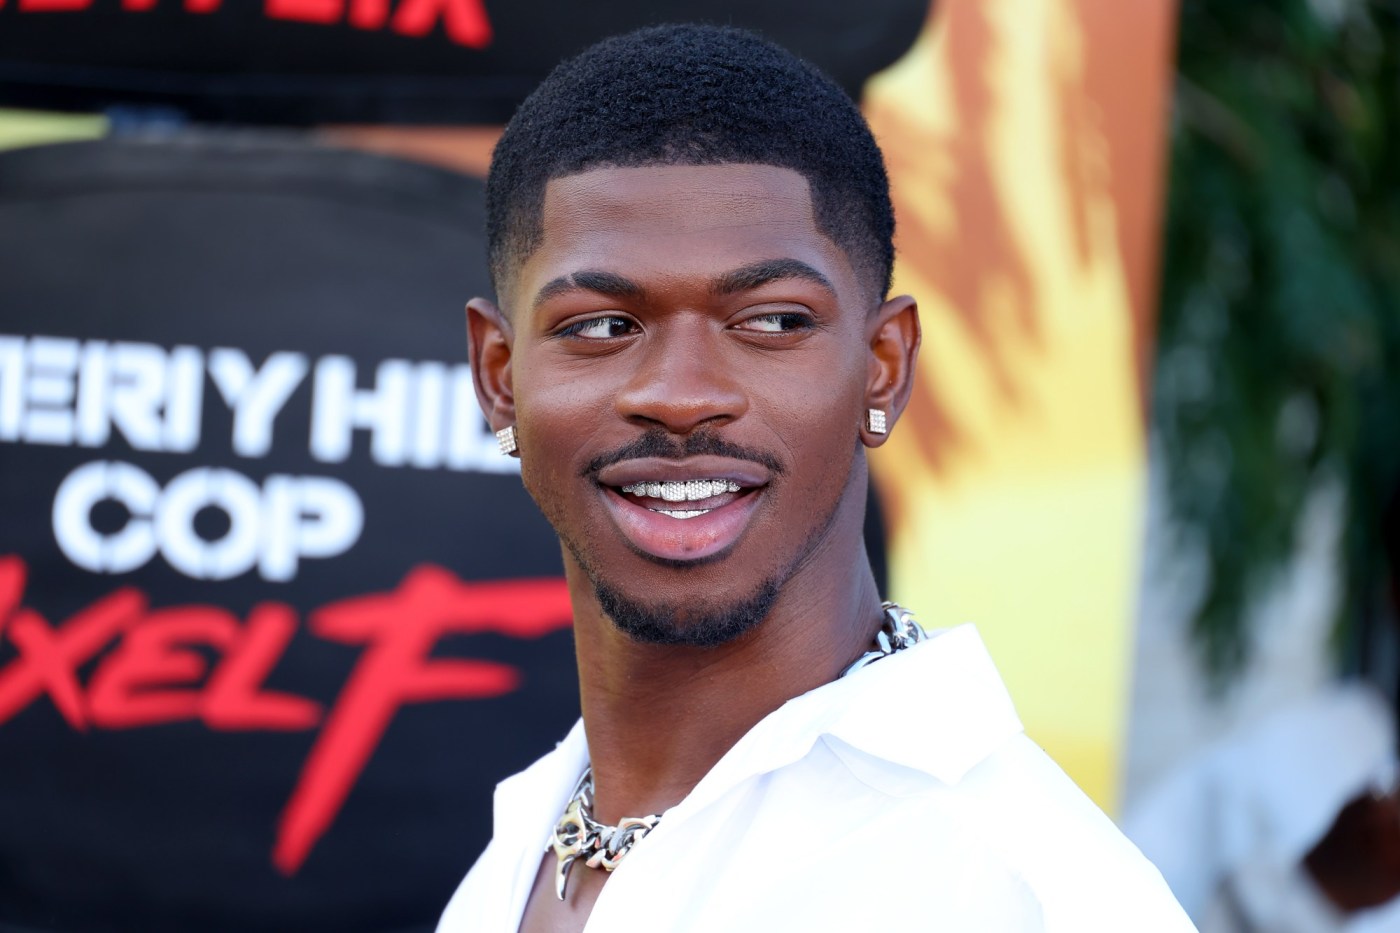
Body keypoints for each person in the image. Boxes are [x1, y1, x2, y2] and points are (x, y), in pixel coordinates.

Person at [438, 23, 1192, 932]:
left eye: (773, 321)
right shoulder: (526, 839)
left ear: (883, 366)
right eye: (601, 326)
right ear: (499, 376)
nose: (681, 396)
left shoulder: (1019, 889)